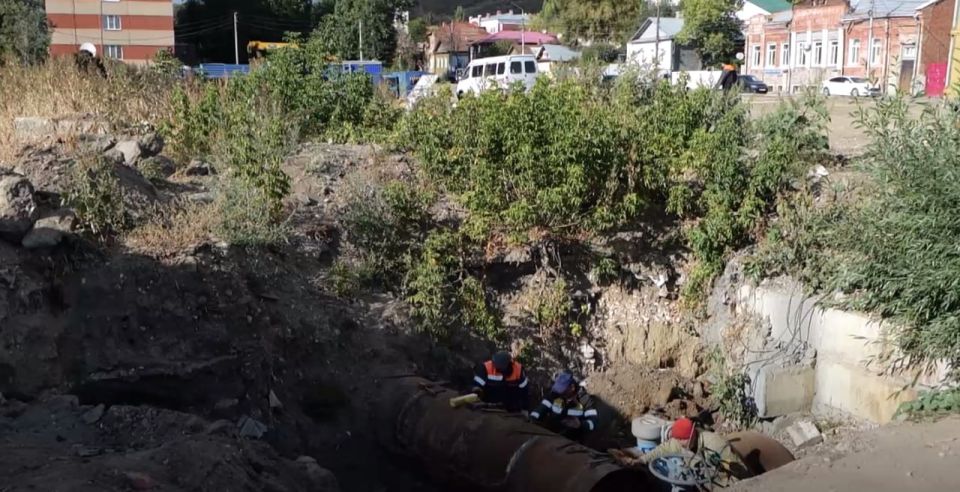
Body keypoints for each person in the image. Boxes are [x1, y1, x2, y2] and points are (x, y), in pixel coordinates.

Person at [640, 417, 749, 480]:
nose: (680, 444)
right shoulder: (679, 442)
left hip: (722, 484)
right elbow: (661, 449)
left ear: (692, 435)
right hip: (699, 480)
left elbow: (739, 470)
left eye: (682, 440)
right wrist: (641, 460)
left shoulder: (715, 444)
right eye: (677, 439)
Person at [529, 372, 598, 441]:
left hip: (572, 440)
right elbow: (542, 407)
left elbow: (593, 424)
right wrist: (533, 418)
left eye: (562, 390)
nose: (559, 392)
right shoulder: (554, 394)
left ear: (572, 387)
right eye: (558, 389)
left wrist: (580, 425)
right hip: (551, 434)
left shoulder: (585, 400)